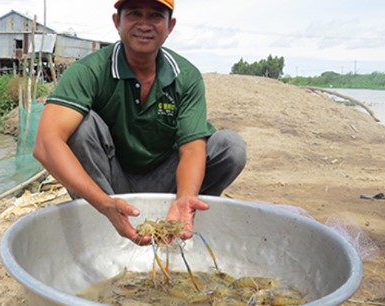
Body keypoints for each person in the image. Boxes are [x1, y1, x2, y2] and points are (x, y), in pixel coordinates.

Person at [33, 0, 246, 245]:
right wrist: (103, 202)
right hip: (110, 180)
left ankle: (183, 219)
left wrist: (185, 196)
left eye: (155, 16)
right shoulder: (89, 71)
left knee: (230, 147)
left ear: (170, 26)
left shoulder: (185, 77)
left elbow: (191, 147)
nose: (144, 25)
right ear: (117, 22)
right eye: (134, 13)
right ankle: (108, 222)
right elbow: (46, 143)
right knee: (80, 127)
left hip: (165, 181)